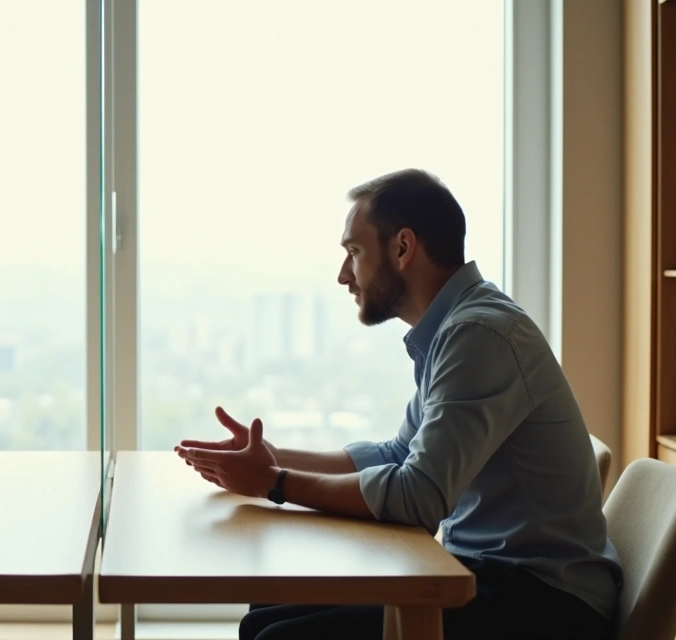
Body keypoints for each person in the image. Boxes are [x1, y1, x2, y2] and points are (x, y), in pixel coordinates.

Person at [175, 169, 622, 640]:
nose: (344, 275)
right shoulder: (454, 329)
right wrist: (269, 459)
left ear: (403, 248)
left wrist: (275, 483)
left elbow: (417, 498)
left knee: (274, 636)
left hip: (546, 604)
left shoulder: (479, 336)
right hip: (487, 573)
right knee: (265, 613)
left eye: (354, 252)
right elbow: (396, 456)